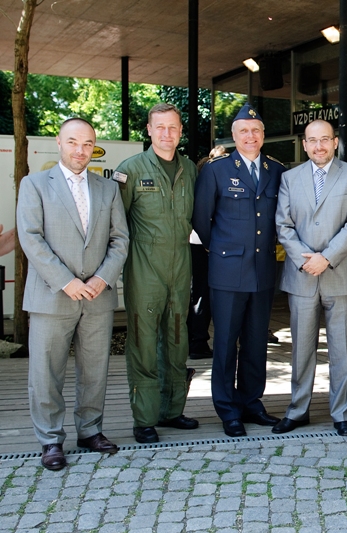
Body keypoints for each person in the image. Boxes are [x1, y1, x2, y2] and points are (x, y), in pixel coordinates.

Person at [17, 118, 129, 470]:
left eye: (88, 144)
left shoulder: (107, 188)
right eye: (73, 142)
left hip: (98, 295)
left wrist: (103, 278)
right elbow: (31, 238)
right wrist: (67, 281)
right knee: (46, 372)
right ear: (59, 142)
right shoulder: (34, 184)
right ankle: (50, 439)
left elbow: (120, 239)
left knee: (95, 369)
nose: (81, 150)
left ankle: (90, 430)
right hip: (52, 295)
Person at [193, 103, 285, 437]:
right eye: (244, 131)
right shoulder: (216, 170)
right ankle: (227, 409)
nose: (250, 136)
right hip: (228, 270)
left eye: (256, 130)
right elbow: (202, 221)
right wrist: (220, 251)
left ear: (263, 136)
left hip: (262, 270)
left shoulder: (277, 170)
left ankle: (251, 402)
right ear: (233, 136)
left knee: (256, 341)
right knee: (226, 341)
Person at [272, 119, 347, 437]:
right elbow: (283, 226)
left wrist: (326, 258)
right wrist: (307, 259)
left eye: (325, 140)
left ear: (336, 142)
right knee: (301, 347)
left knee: (343, 348)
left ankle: (342, 413)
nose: (319, 146)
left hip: (340, 272)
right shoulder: (289, 178)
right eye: (312, 140)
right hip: (302, 274)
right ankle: (297, 410)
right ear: (303, 144)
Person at [115, 103, 199, 444]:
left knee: (178, 342)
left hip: (181, 270)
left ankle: (172, 410)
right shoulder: (129, 170)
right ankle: (145, 418)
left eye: (173, 128)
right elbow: (114, 224)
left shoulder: (191, 169)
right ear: (148, 130)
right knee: (144, 344)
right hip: (143, 271)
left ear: (180, 132)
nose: (167, 134)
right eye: (160, 127)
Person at [187, 146, 225, 360]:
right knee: (202, 296)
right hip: (204, 244)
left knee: (197, 293)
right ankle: (198, 342)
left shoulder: (198, 180)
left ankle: (195, 341)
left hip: (196, 243)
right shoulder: (211, 182)